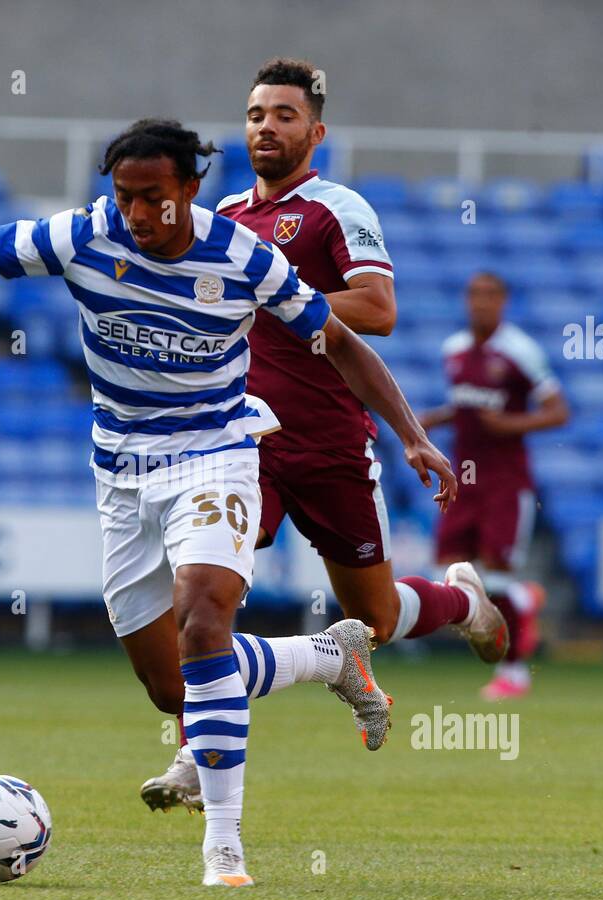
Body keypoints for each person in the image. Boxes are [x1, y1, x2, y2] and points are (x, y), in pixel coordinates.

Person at [0, 118, 457, 887]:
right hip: (122, 475)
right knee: (171, 684)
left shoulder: (246, 258)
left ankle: (224, 850)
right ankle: (325, 655)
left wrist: (413, 437)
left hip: (215, 457)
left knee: (204, 615)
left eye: (154, 198)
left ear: (190, 189)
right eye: (125, 197)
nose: (138, 215)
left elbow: (345, 342)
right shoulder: (84, 236)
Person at [141, 59, 509, 812]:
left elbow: (377, 309)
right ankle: (192, 752)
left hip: (334, 445)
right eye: (254, 115)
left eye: (282, 115)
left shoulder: (335, 208)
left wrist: (270, 294)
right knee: (203, 597)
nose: (265, 127)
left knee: (372, 619)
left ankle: (463, 603)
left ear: (315, 130)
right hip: (245, 447)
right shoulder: (226, 221)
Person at [421, 271, 571, 699]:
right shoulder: (455, 350)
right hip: (461, 477)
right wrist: (436, 417)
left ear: (503, 301)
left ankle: (514, 675)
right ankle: (525, 598)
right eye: (474, 295)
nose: (480, 303)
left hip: (505, 482)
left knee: (496, 575)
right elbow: (468, 406)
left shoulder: (519, 351)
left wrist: (511, 423)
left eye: (490, 295)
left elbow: (558, 412)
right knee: (446, 572)